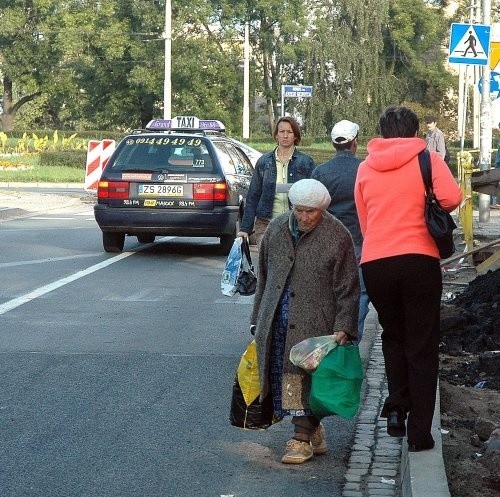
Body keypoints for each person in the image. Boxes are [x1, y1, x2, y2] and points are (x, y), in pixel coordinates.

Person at [354, 106, 462, 453]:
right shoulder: (427, 159)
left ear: (382, 131)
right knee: (423, 345)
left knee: (394, 336)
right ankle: (419, 434)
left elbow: (365, 219)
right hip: (419, 260)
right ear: (415, 131)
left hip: (377, 261)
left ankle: (397, 407)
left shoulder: (365, 167)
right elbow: (453, 198)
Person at [251, 178, 360, 464]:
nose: (304, 217)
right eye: (299, 210)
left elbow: (348, 287)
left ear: (322, 210)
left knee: (305, 378)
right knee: (284, 376)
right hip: (279, 316)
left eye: (310, 211)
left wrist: (345, 325)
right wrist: (257, 320)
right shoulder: (276, 229)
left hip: (317, 322)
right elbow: (264, 278)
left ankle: (300, 439)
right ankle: (311, 431)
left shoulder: (337, 236)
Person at [312, 119, 370, 340]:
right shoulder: (365, 170)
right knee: (360, 293)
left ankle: (326, 341)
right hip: (359, 241)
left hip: (327, 242)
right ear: (355, 142)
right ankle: (350, 343)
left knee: (327, 293)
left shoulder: (320, 172)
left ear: (333, 144)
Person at [237, 116, 315, 246]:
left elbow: (314, 196)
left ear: (295, 136)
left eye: (289, 132)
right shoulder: (264, 162)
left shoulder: (306, 162)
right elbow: (253, 196)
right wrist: (245, 229)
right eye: (281, 131)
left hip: (297, 223)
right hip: (266, 223)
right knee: (269, 261)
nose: (285, 136)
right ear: (276, 135)